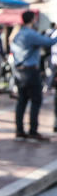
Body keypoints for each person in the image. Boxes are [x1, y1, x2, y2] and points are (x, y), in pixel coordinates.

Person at [11, 9, 57, 141]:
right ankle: (33, 131)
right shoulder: (30, 34)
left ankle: (19, 130)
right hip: (30, 71)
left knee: (22, 101)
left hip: (20, 70)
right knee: (36, 100)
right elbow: (49, 42)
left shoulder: (18, 34)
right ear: (32, 19)